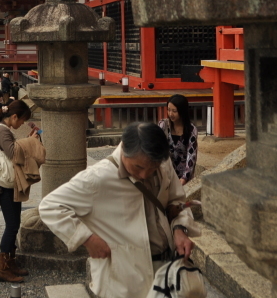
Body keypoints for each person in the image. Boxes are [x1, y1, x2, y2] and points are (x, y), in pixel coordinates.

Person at [39, 123, 198, 298]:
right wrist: (86, 238)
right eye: (138, 167)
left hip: (166, 271)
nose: (145, 174)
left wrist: (179, 229)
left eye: (151, 168)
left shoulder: (163, 163)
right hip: (122, 281)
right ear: (124, 151)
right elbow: (50, 206)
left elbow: (177, 201)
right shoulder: (97, 178)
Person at [0, 100, 38, 282]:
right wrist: (30, 142)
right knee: (11, 226)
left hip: (9, 184)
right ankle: (3, 268)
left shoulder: (3, 129)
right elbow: (12, 153)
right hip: (5, 185)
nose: (22, 124)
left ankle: (11, 263)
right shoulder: (2, 129)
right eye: (22, 120)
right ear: (14, 116)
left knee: (14, 223)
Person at [159, 94, 198, 185]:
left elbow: (191, 155)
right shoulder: (163, 125)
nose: (170, 114)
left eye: (174, 111)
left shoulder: (191, 129)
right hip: (165, 173)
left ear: (182, 111)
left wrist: (185, 178)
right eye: (168, 110)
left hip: (183, 176)